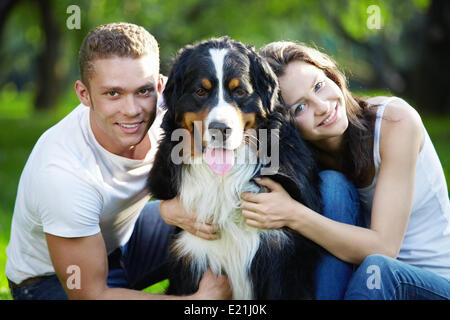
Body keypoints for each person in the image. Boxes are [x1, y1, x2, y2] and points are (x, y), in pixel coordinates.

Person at [5, 22, 231, 300]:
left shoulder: (170, 107)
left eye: (143, 91)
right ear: (83, 94)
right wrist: (196, 303)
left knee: (224, 219)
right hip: (52, 280)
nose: (132, 110)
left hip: (127, 236)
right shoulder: (62, 173)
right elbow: (91, 294)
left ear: (160, 85)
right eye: (113, 93)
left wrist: (167, 210)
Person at [237, 41, 450, 299]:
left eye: (319, 86)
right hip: (364, 283)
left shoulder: (395, 122)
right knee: (332, 186)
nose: (323, 106)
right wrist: (173, 210)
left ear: (331, 74)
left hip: (430, 284)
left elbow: (384, 248)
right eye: (300, 108)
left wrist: (293, 213)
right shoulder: (301, 158)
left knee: (379, 269)